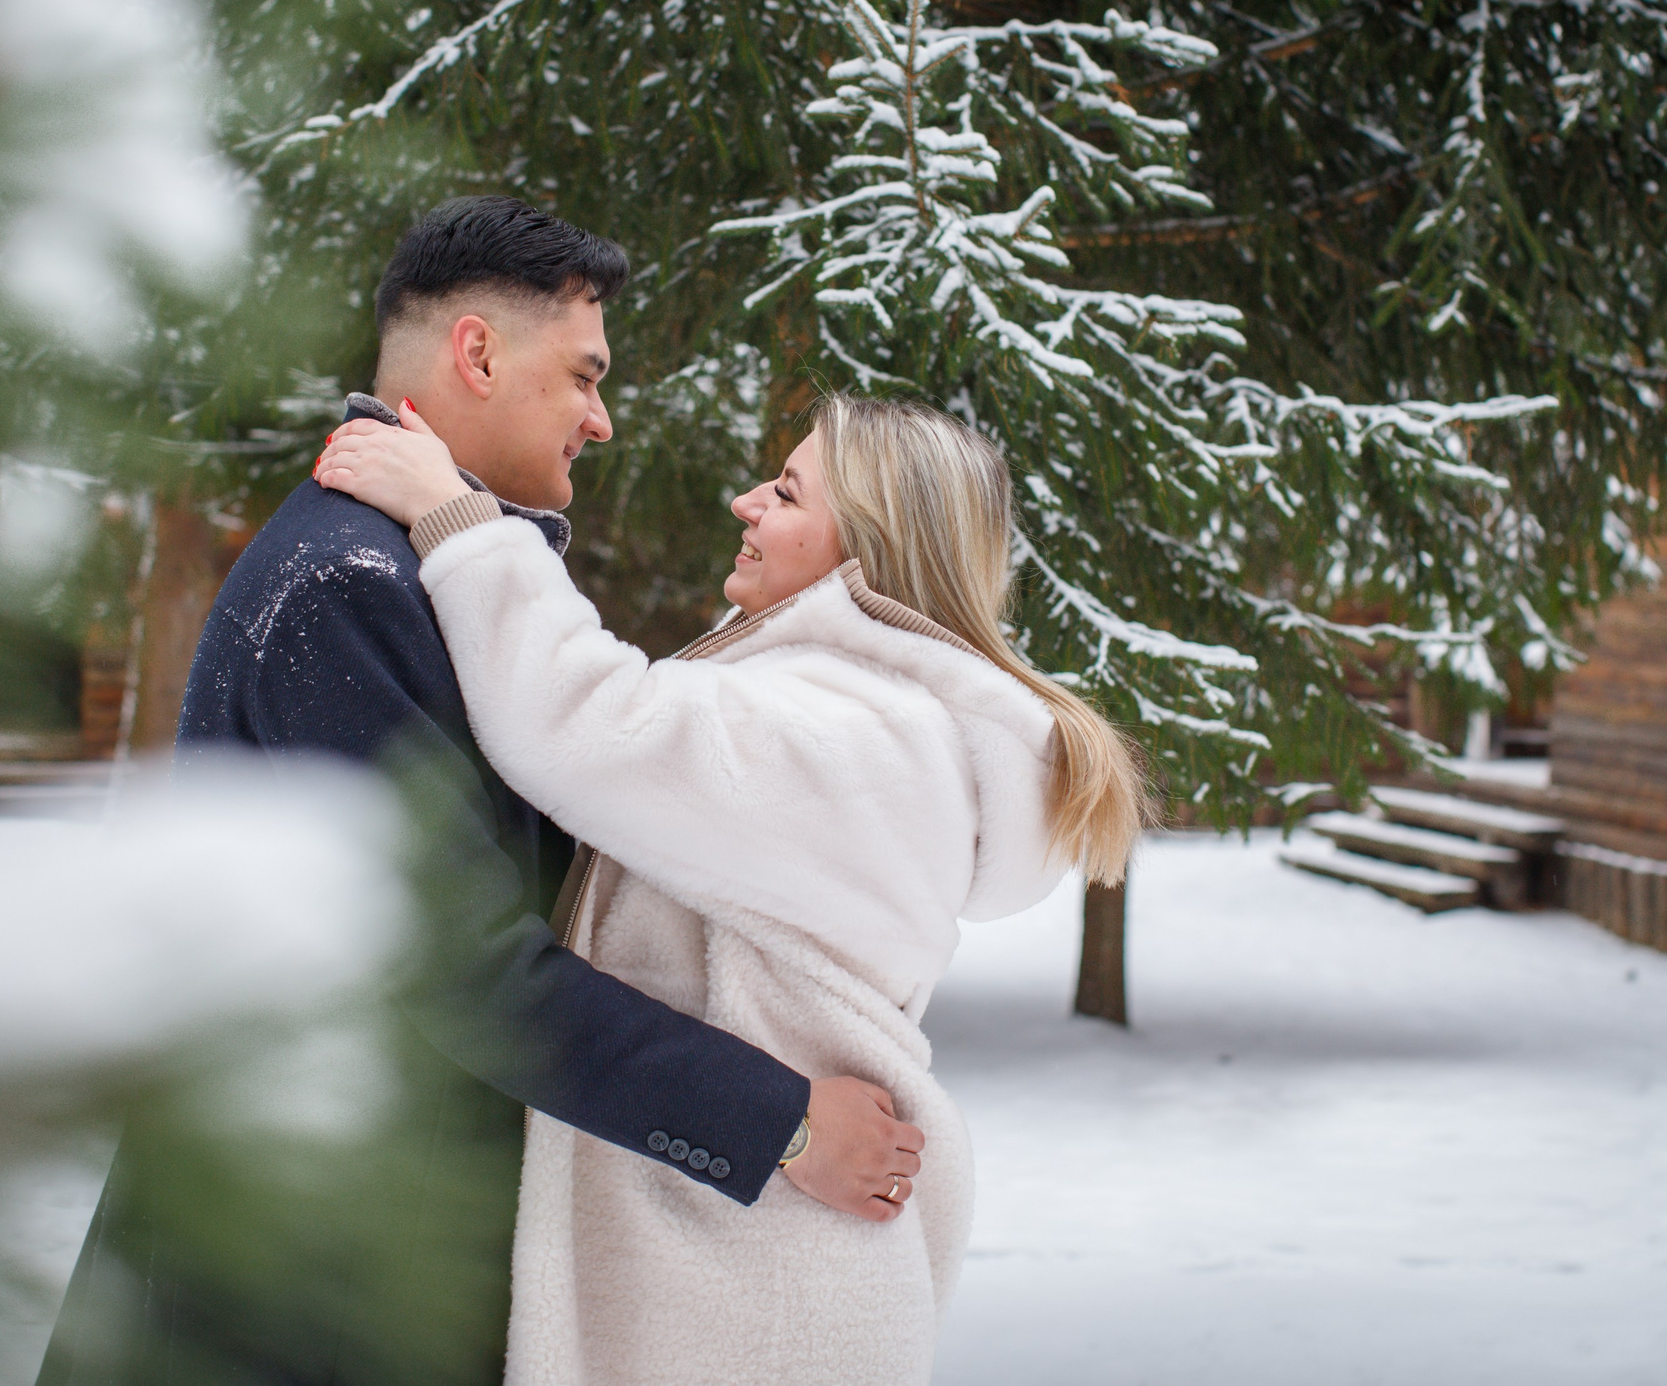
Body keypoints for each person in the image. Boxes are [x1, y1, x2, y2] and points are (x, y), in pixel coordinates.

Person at [37, 198, 923, 1386]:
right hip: (306, 1287)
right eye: (584, 376)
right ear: (477, 353)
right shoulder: (349, 585)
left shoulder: (429, 567)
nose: (602, 419)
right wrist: (781, 1123)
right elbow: (459, 971)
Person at [315, 389, 1151, 1385]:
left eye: (787, 493)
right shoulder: (854, 716)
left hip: (758, 1299)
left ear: (867, 549)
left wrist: (456, 518)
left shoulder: (854, 734)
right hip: (753, 1266)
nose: (746, 502)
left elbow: (584, 721)